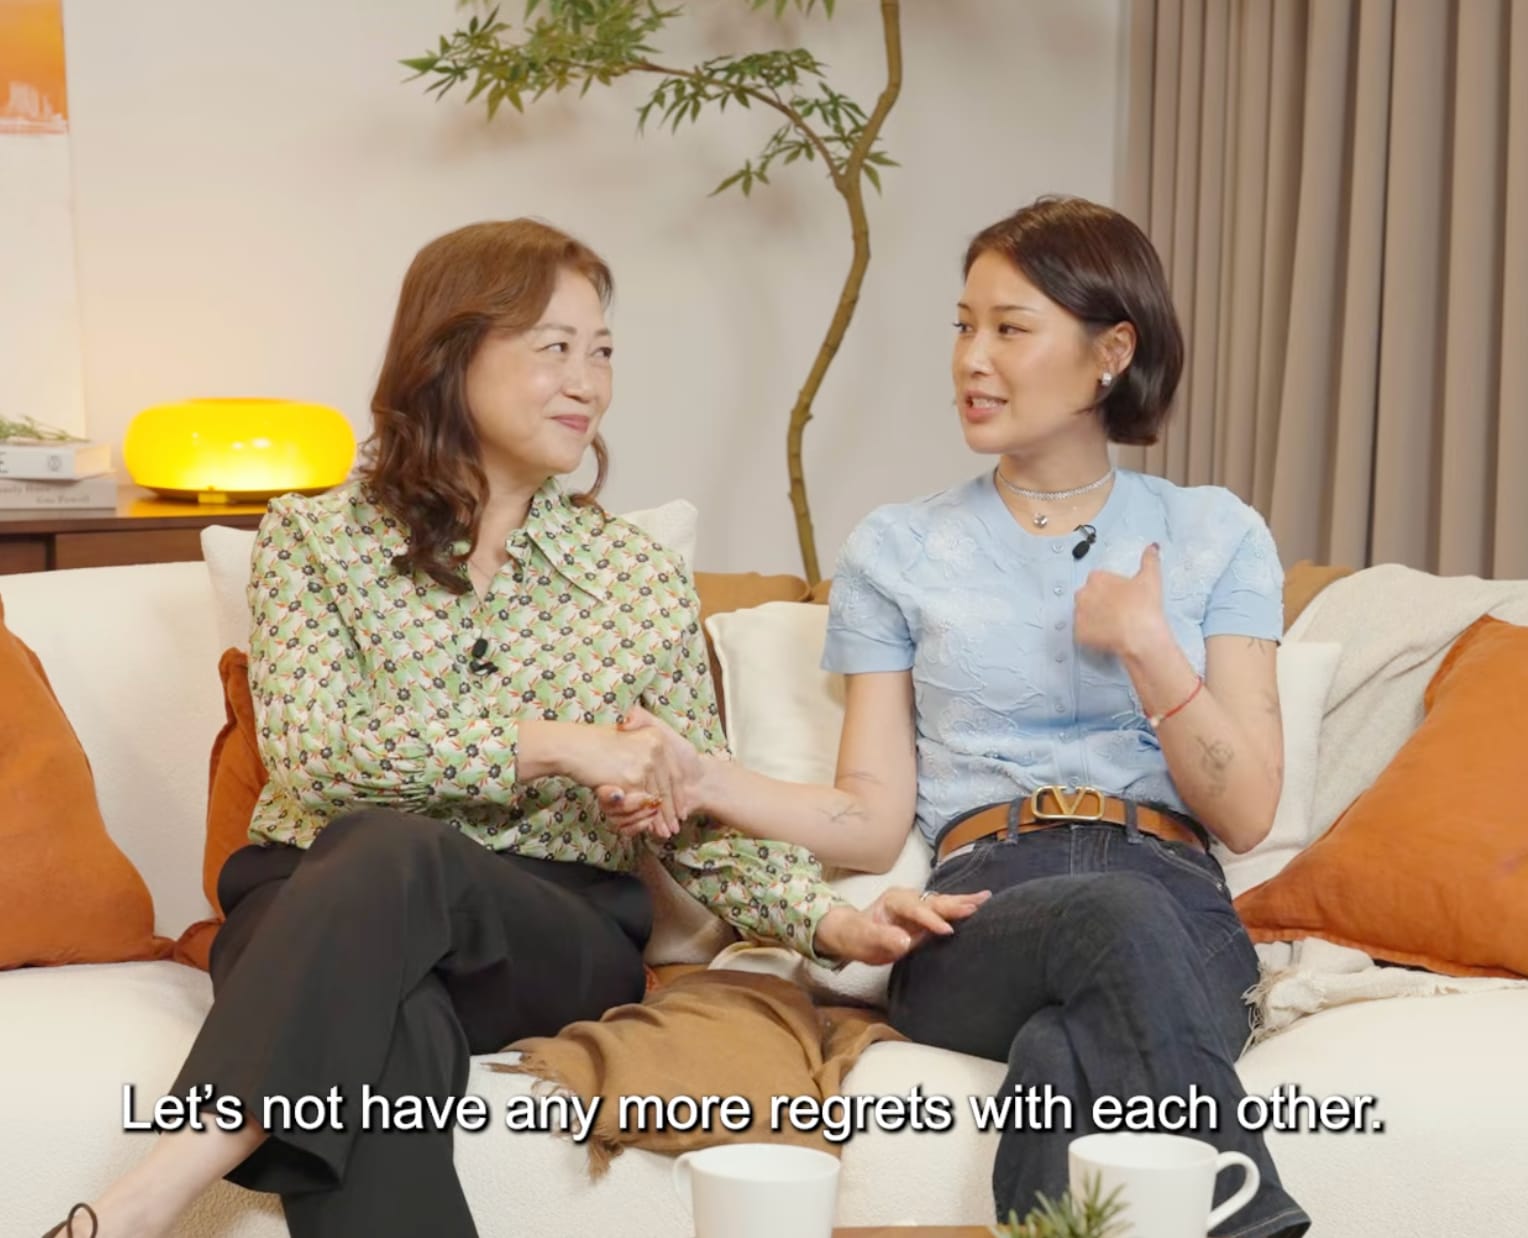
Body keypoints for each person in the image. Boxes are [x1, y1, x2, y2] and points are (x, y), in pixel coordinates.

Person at [41, 219, 986, 1238]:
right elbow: (318, 752)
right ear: (449, 354)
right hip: (315, 906)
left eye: (602, 351)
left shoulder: (632, 577)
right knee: (390, 1021)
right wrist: (563, 742)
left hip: (542, 931)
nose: (588, 382)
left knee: (391, 850)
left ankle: (150, 1191)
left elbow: (695, 813)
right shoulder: (314, 540)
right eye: (555, 347)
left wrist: (831, 925)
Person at [611, 197, 1311, 1237]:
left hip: (1177, 912)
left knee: (1058, 1053)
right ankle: (1252, 1222)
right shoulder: (898, 548)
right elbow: (867, 816)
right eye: (963, 325)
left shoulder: (1216, 532)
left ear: (1111, 352)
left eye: (1010, 328)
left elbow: (1247, 812)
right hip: (982, 911)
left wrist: (1150, 646)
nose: (971, 359)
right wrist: (705, 775)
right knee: (1106, 923)